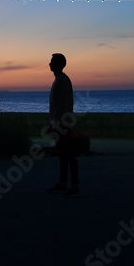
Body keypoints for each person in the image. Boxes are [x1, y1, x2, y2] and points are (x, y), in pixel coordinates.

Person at [46, 53, 79, 196]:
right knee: (63, 154)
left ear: (59, 64)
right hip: (60, 124)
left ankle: (74, 185)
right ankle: (63, 183)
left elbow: (62, 105)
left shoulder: (62, 81)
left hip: (62, 125)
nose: (49, 64)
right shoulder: (59, 80)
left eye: (52, 61)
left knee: (68, 154)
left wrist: (57, 125)